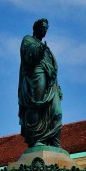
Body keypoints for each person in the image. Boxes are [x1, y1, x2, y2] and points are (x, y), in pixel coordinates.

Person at [18, 18, 62, 148]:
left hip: (51, 82)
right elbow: (27, 56)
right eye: (43, 27)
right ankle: (35, 139)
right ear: (36, 28)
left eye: (46, 28)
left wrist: (58, 87)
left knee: (57, 111)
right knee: (36, 106)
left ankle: (54, 142)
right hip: (36, 75)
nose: (45, 31)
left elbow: (52, 68)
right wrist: (39, 51)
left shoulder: (47, 49)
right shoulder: (28, 40)